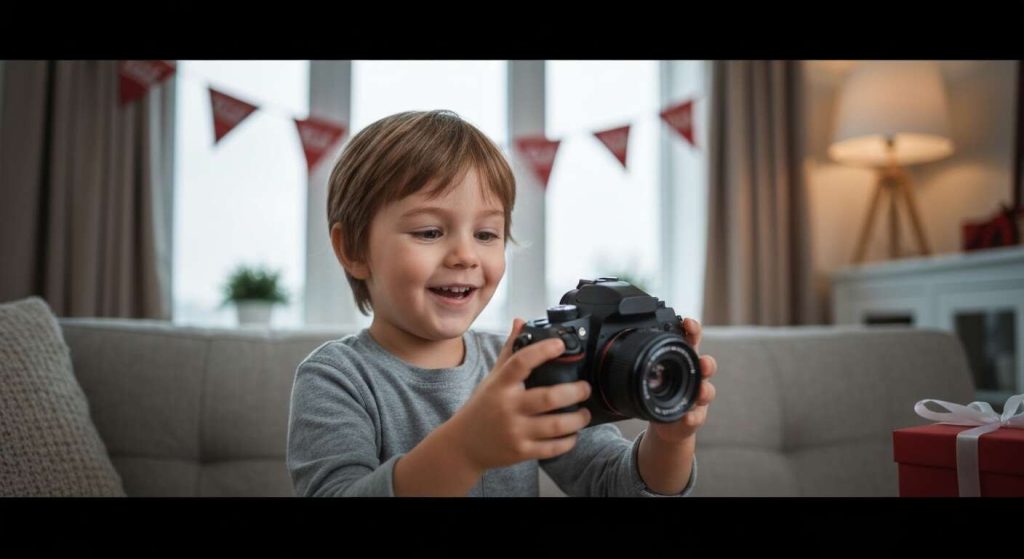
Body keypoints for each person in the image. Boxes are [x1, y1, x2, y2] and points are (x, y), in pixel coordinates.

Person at [286, 109, 718, 497]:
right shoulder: (335, 378)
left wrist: (669, 441)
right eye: (430, 232)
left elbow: (611, 485)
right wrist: (467, 448)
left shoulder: (520, 363)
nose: (466, 255)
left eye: (487, 234)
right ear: (353, 249)